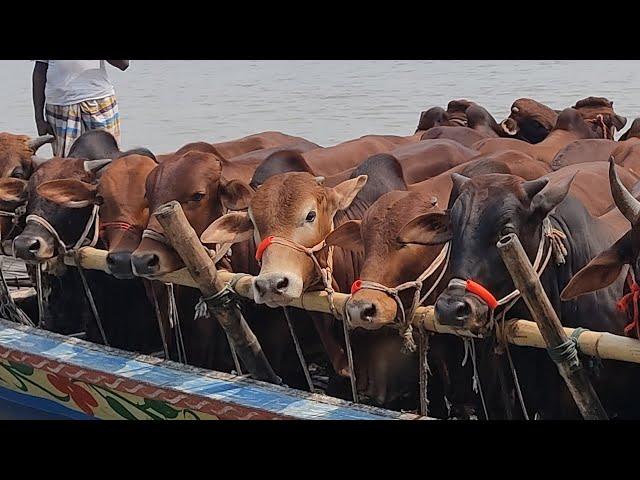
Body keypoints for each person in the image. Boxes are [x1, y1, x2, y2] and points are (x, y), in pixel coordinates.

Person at [32, 60, 130, 157]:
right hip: (61, 106)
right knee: (67, 163)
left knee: (108, 159)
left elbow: (123, 64)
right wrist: (39, 118)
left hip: (99, 102)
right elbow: (40, 71)